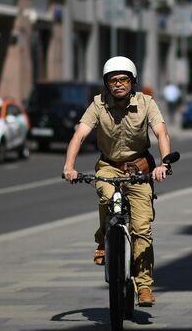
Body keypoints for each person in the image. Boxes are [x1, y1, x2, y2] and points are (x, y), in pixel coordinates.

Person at [62, 56, 172, 307]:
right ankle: (103, 239)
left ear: (132, 82)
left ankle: (144, 286)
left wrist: (164, 164)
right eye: (113, 80)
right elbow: (79, 135)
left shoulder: (146, 103)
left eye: (123, 79)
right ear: (106, 84)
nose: (118, 84)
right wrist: (69, 166)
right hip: (109, 166)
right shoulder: (98, 105)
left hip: (138, 168)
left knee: (142, 229)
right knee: (106, 195)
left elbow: (161, 132)